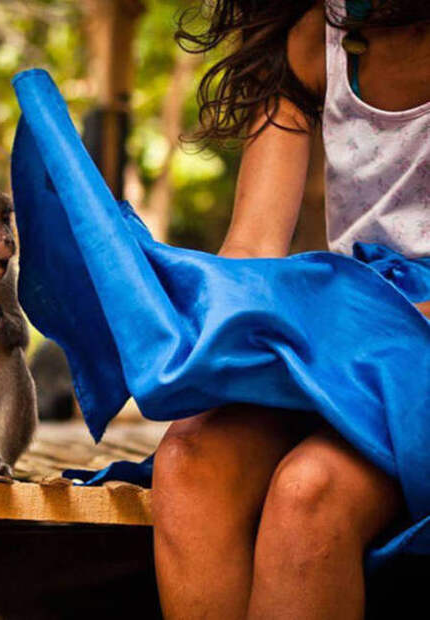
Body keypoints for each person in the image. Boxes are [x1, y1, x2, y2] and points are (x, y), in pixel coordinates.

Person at [152, 1, 430, 618]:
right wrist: (194, 326)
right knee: (189, 461)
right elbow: (251, 248)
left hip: (397, 343)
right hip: (357, 338)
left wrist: (351, 332)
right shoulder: (314, 34)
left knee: (310, 492)